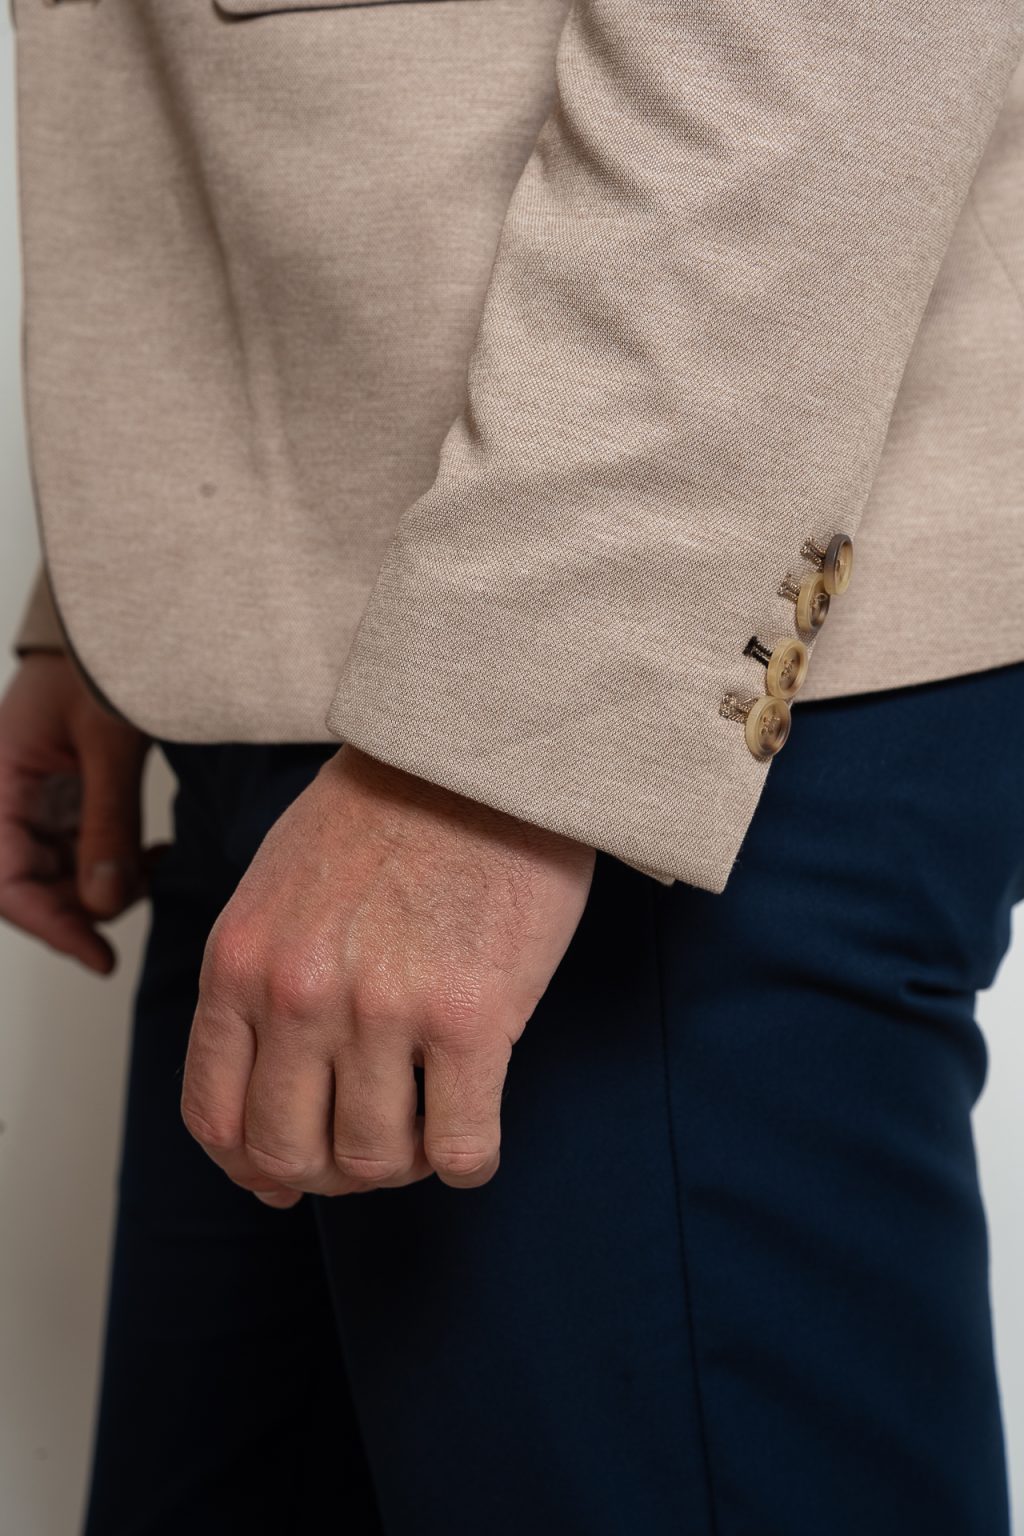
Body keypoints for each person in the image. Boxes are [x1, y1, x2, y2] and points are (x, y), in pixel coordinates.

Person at [3, 1, 1023, 1531]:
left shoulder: (517, 726)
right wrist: (120, 602)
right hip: (341, 689)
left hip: (590, 706)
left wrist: (504, 736)